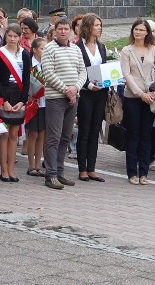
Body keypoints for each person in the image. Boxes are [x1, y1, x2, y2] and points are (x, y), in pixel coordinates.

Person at [41, 17, 86, 190]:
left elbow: (82, 71)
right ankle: (50, 175)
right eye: (60, 28)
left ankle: (59, 172)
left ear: (71, 31)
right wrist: (66, 89)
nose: (63, 31)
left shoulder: (75, 49)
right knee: (54, 137)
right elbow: (49, 73)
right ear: (55, 30)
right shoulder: (49, 49)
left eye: (66, 29)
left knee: (65, 137)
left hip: (73, 98)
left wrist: (75, 88)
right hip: (56, 99)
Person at [120, 19, 155, 185]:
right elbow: (127, 75)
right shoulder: (126, 50)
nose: (138, 32)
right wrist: (140, 94)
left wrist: (154, 91)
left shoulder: (153, 49)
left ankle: (144, 172)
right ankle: (132, 171)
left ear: (147, 32)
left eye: (141, 30)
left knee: (147, 134)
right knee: (133, 134)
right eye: (135, 29)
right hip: (133, 97)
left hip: (151, 97)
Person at [0, 24, 31, 182]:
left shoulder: (25, 55)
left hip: (18, 95)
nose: (12, 39)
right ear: (5, 36)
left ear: (20, 37)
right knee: (4, 134)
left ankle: (11, 170)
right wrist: (4, 101)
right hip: (5, 95)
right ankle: (3, 170)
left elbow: (27, 80)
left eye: (15, 36)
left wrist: (23, 101)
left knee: (14, 135)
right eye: (9, 36)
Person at [74, 14, 109, 183]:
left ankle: (92, 168)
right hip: (86, 92)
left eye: (100, 25)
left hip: (100, 93)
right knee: (85, 130)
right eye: (96, 25)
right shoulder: (78, 47)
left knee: (95, 130)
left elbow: (104, 68)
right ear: (88, 27)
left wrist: (109, 81)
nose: (99, 28)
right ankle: (82, 169)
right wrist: (88, 85)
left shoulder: (101, 47)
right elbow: (77, 70)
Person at [25, 37, 47, 177]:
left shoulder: (48, 65)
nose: (44, 51)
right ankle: (31, 165)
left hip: (45, 102)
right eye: (42, 49)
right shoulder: (29, 65)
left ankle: (38, 165)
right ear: (34, 50)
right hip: (33, 103)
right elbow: (26, 82)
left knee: (42, 134)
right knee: (33, 134)